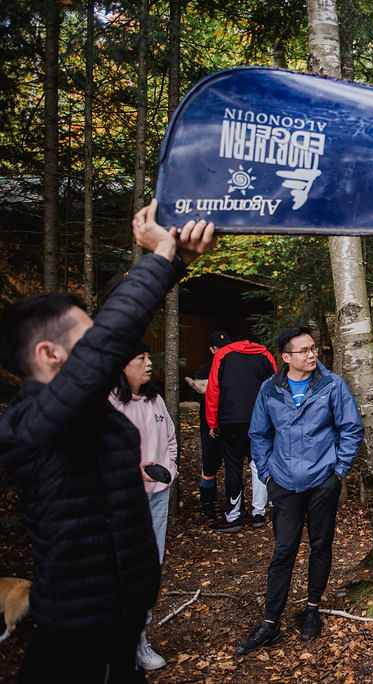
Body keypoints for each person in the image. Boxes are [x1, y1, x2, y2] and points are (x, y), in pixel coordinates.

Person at [0, 201, 214, 682]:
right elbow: (111, 342)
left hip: (118, 629)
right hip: (75, 638)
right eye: (91, 339)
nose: (108, 348)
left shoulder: (91, 412)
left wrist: (176, 259)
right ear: (49, 354)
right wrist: (159, 259)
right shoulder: (31, 423)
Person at [235, 326, 364, 654]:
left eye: (313, 349)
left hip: (322, 480)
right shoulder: (269, 389)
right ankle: (270, 622)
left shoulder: (332, 385)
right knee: (283, 551)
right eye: (304, 350)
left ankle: (312, 610)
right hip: (284, 483)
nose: (312, 355)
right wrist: (267, 474)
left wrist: (337, 472)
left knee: (321, 546)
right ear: (286, 357)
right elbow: (259, 434)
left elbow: (351, 428)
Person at [110, 343, 177, 671]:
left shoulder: (156, 400)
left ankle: (139, 639)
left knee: (150, 566)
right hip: (122, 501)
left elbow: (170, 441)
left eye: (150, 358)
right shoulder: (107, 404)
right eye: (141, 359)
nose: (150, 364)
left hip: (157, 496)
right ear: (123, 366)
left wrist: (169, 473)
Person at [205, 333, 277, 531]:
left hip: (230, 420)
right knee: (258, 464)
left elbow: (213, 389)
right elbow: (277, 388)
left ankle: (233, 516)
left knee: (233, 467)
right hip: (260, 419)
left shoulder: (223, 355)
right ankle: (259, 513)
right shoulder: (266, 355)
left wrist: (213, 422)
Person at [185, 330, 231, 520]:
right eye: (219, 348)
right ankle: (207, 503)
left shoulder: (234, 367)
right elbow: (193, 394)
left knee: (232, 465)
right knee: (209, 464)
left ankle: (234, 502)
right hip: (208, 426)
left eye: (226, 347)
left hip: (230, 424)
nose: (223, 351)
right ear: (212, 350)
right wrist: (207, 391)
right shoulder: (204, 370)